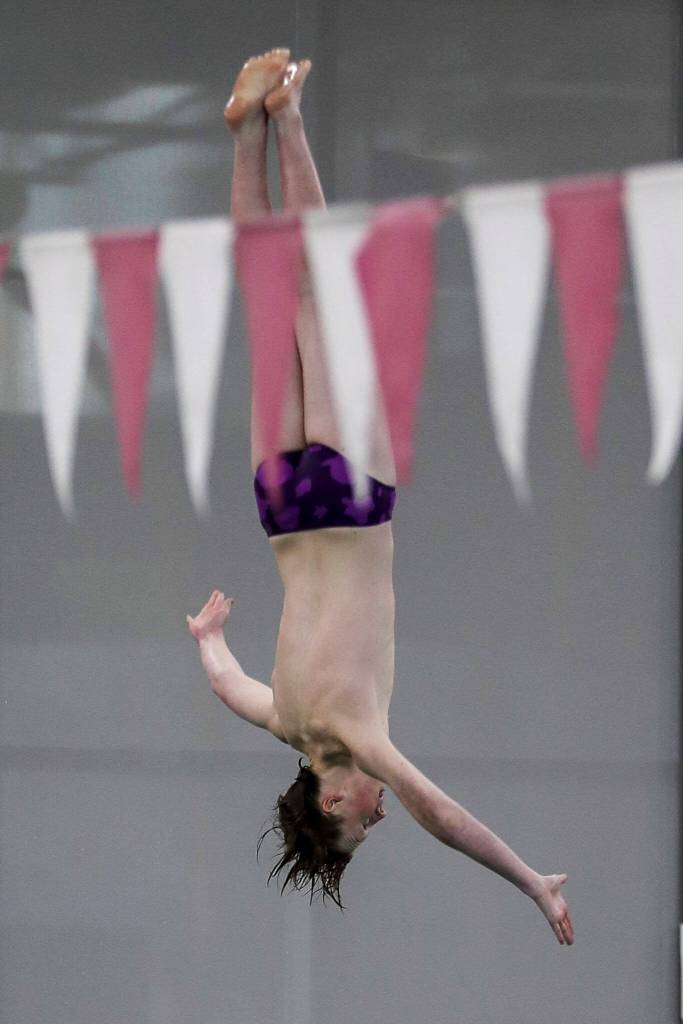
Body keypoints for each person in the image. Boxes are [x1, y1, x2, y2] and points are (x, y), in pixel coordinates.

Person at [186, 48, 575, 945]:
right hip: (280, 508)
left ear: (331, 798)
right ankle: (248, 131)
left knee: (322, 294)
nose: (377, 813)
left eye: (359, 822)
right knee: (270, 299)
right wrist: (209, 641)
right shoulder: (285, 718)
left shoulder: (355, 736)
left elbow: (441, 815)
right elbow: (228, 686)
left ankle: (284, 117)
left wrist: (528, 880)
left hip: (350, 499)